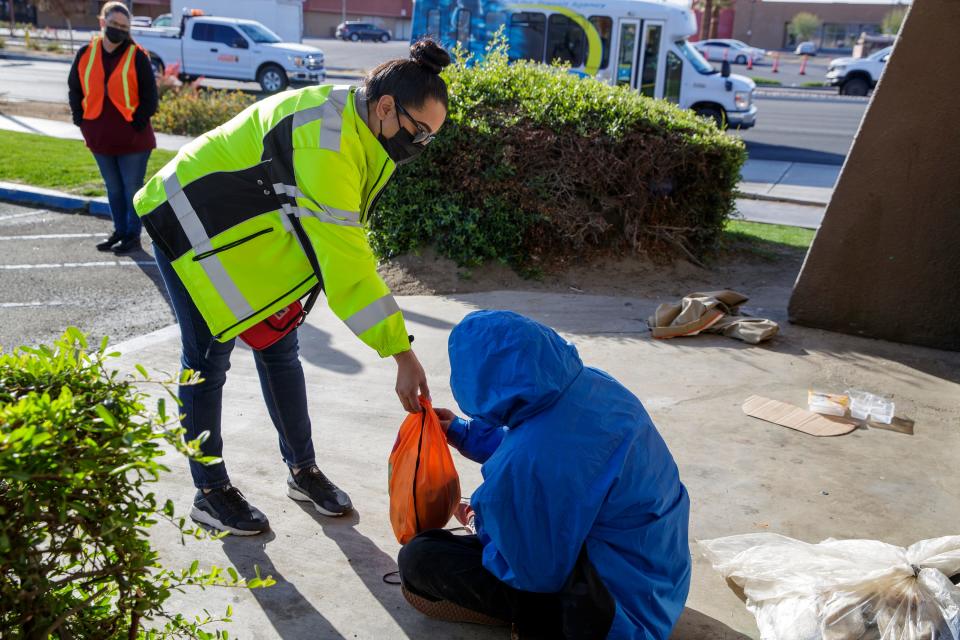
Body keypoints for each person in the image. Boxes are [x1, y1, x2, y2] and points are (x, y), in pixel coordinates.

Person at [132, 41, 450, 535]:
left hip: (244, 238)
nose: (420, 145)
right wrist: (401, 353)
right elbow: (347, 263)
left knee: (280, 352)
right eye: (419, 132)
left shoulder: (363, 125)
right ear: (386, 106)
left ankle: (302, 471)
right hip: (188, 226)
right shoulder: (325, 140)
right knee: (207, 361)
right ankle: (210, 491)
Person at [398, 310, 692, 639]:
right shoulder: (596, 386)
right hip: (661, 579)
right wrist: (465, 433)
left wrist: (484, 523)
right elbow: (553, 446)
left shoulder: (526, 467)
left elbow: (534, 572)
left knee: (420, 558)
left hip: (615, 615)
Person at [68, 1, 158, 255]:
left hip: (134, 142)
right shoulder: (86, 53)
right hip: (99, 139)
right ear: (102, 22)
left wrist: (135, 127)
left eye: (124, 27)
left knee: (131, 188)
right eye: (114, 24)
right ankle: (119, 231)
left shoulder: (136, 55)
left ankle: (132, 235)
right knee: (114, 188)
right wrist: (81, 121)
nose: (118, 30)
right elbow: (75, 88)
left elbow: (150, 98)